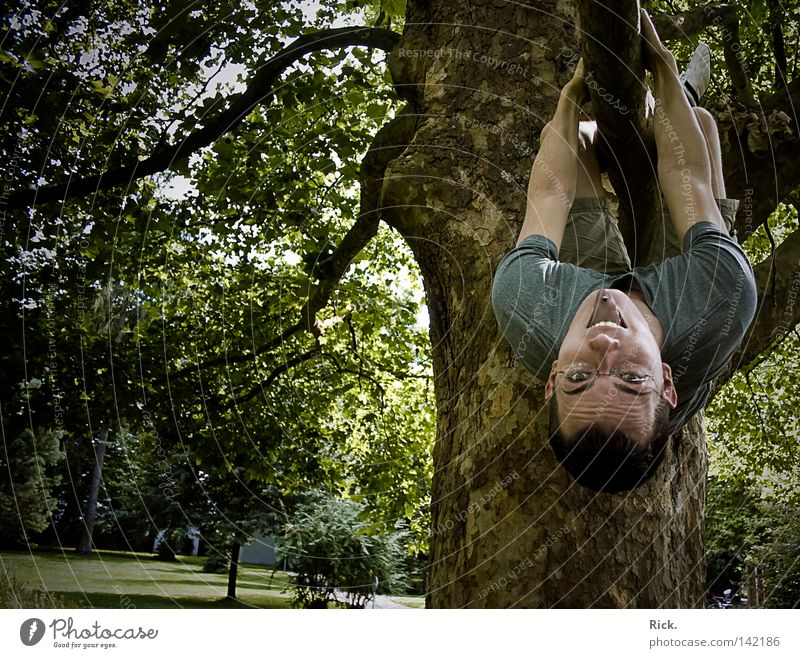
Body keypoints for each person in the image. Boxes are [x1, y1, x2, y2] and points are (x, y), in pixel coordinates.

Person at [491, 10, 757, 493]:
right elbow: (686, 177)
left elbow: (550, 195)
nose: (603, 346)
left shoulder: (529, 303)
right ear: (668, 383)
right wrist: (662, 65)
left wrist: (573, 93)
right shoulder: (720, 298)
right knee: (698, 124)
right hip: (685, 299)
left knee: (583, 138)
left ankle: (643, 122)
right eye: (633, 378)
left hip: (579, 294)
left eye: (578, 377)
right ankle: (675, 104)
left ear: (552, 378)